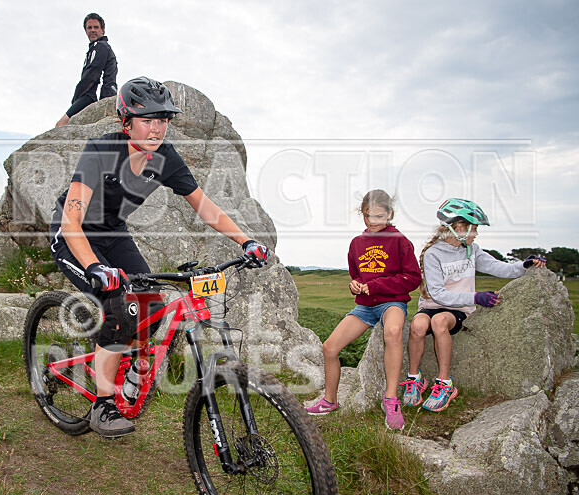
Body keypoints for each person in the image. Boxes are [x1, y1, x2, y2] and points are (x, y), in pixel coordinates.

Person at [49, 77, 269, 438]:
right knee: (118, 306)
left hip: (113, 231)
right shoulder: (101, 151)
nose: (156, 128)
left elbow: (206, 208)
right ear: (126, 122)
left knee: (149, 301)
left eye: (163, 120)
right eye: (147, 119)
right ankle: (102, 407)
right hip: (72, 235)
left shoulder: (165, 158)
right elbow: (72, 219)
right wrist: (94, 267)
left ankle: (132, 364)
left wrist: (246, 240)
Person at [403, 198, 546, 412]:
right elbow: (438, 294)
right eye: (474, 228)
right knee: (418, 325)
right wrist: (476, 297)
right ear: (459, 228)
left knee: (440, 321)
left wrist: (523, 265)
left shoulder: (472, 250)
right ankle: (414, 378)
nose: (476, 234)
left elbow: (499, 268)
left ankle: (444, 383)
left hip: (459, 309)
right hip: (434, 303)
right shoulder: (433, 254)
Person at [306, 190, 421, 430]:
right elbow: (357, 275)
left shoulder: (400, 241)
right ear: (362, 214)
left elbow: (412, 278)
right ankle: (330, 401)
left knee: (392, 332)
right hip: (365, 306)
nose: (373, 221)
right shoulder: (357, 243)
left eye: (379, 216)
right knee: (329, 347)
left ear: (390, 214)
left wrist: (375, 285)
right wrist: (355, 285)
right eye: (368, 216)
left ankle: (390, 400)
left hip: (392, 303)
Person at [54, 13, 118, 128]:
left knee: (60, 125)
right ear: (85, 31)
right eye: (89, 28)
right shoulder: (95, 49)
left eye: (96, 27)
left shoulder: (100, 46)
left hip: (91, 98)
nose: (92, 30)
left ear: (103, 30)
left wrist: (77, 101)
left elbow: (91, 76)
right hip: (103, 99)